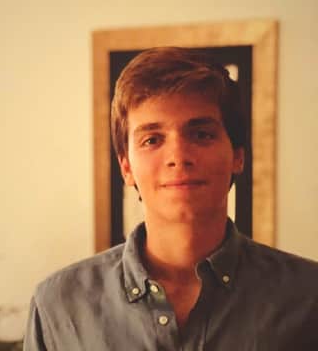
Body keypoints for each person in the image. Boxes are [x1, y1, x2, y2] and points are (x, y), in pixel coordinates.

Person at [24, 47, 318, 350]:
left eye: (201, 134)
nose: (178, 156)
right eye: (152, 139)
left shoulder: (308, 298)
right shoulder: (59, 307)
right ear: (126, 168)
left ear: (237, 157)